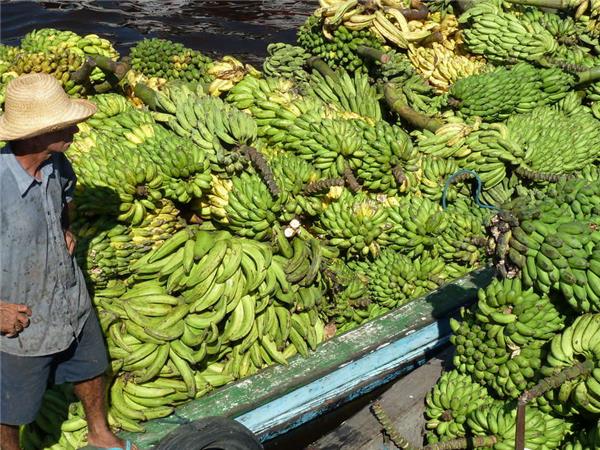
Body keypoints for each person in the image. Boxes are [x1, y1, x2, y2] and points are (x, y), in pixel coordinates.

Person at [0, 73, 135, 450]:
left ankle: (100, 434)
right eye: (64, 125)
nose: (75, 129)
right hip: (20, 313)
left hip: (68, 295)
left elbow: (65, 200)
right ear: (35, 133)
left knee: (92, 367)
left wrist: (63, 228)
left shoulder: (57, 164)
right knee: (10, 409)